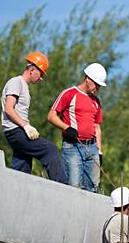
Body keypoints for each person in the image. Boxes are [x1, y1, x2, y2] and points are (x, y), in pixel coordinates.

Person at [1, 52, 67, 183]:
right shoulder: (16, 82)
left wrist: (27, 125)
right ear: (32, 70)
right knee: (50, 149)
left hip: (16, 131)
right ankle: (63, 186)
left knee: (23, 164)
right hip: (16, 130)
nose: (41, 78)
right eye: (41, 73)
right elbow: (9, 108)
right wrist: (25, 126)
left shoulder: (24, 86)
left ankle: (17, 188)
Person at [47, 62, 107, 192]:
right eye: (96, 84)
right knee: (74, 187)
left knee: (93, 187)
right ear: (87, 79)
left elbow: (97, 126)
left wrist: (99, 151)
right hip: (72, 147)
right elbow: (51, 116)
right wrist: (66, 128)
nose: (97, 88)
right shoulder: (69, 94)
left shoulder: (96, 101)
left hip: (92, 148)